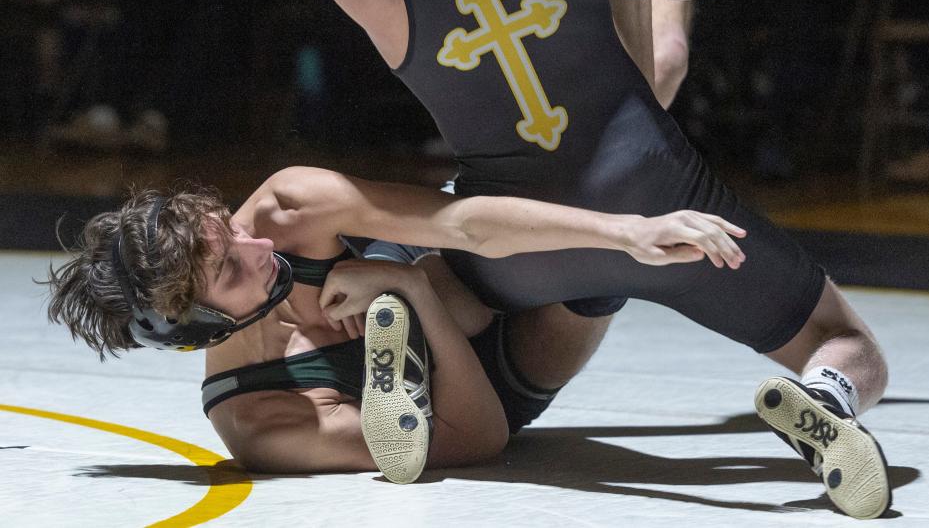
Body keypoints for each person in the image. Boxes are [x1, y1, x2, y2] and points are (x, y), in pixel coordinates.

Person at [282, 0, 892, 518]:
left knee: (457, 271)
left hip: (515, 229)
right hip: (654, 197)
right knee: (845, 342)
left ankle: (416, 316)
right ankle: (824, 398)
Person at [43, 167, 744, 482]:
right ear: (199, 327)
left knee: (596, 182)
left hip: (451, 276)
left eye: (228, 226)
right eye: (231, 270)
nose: (258, 245)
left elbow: (461, 222)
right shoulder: (265, 422)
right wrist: (407, 288)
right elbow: (476, 438)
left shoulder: (282, 212)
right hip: (485, 388)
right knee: (595, 277)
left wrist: (627, 229)